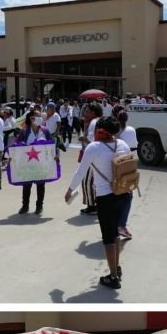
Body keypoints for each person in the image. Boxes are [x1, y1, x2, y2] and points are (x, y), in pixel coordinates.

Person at [64, 116, 130, 289]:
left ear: (101, 130)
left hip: (106, 197)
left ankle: (113, 277)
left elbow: (81, 171)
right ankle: (117, 267)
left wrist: (70, 189)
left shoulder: (94, 147)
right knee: (115, 233)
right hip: (124, 194)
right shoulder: (122, 144)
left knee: (108, 238)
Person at [14, 108, 55, 215]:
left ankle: (39, 206)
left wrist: (56, 155)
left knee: (40, 185)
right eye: (38, 116)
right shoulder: (24, 131)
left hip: (41, 163)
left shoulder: (45, 131)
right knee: (26, 185)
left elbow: (52, 144)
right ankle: (25, 206)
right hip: (27, 163)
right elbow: (17, 144)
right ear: (32, 118)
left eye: (41, 116)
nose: (40, 118)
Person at [114, 107, 138, 240]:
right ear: (127, 119)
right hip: (129, 164)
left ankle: (116, 223)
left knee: (116, 193)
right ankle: (121, 225)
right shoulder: (131, 130)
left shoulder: (115, 132)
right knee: (128, 194)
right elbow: (134, 147)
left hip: (116, 164)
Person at [77, 102, 103, 215]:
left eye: (88, 111)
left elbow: (93, 141)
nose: (85, 113)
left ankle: (93, 205)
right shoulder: (91, 122)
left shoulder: (94, 122)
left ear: (94, 113)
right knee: (91, 181)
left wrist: (84, 139)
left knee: (87, 181)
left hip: (93, 155)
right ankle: (93, 204)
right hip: (92, 154)